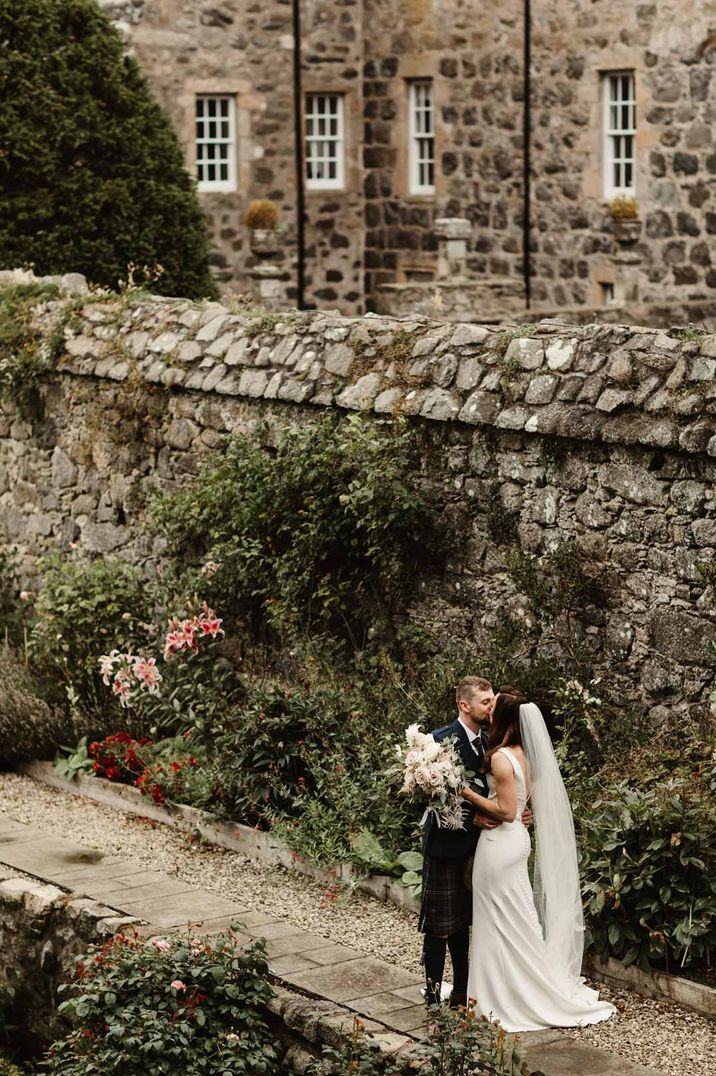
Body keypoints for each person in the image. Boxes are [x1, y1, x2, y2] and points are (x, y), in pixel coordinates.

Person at [461, 689, 616, 1031]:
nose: (488, 710)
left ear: (502, 718)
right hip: (516, 840)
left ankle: (498, 997)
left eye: (493, 704)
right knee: (516, 919)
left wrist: (468, 794)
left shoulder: (501, 757)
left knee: (496, 921)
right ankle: (508, 988)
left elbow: (505, 811)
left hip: (500, 844)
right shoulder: (524, 753)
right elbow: (517, 807)